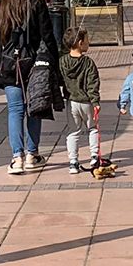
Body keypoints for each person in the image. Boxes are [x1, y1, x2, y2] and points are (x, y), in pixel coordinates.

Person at [0, 0, 61, 174]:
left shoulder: (0, 5)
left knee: (15, 110)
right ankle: (32, 153)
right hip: (34, 64)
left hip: (10, 65)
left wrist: (1, 58)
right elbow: (47, 35)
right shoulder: (36, 1)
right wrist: (53, 63)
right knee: (34, 107)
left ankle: (16, 157)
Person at [59, 27, 100, 174]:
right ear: (81, 43)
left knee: (73, 132)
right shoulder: (88, 63)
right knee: (93, 128)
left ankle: (73, 162)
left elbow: (60, 80)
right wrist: (95, 102)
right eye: (87, 41)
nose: (89, 43)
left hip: (71, 101)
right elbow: (93, 83)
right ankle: (94, 156)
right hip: (87, 101)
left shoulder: (62, 61)